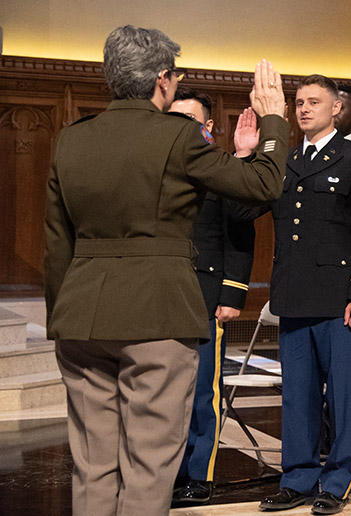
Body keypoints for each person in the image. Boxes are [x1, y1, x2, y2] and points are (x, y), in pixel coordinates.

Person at [44, 25, 287, 516]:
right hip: (157, 315)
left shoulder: (71, 139)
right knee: (150, 464)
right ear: (162, 78)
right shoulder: (179, 136)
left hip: (81, 317)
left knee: (92, 466)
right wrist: (274, 120)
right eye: (174, 75)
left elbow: (56, 242)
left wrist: (62, 315)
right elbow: (262, 184)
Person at [257, 74, 351, 515]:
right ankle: (297, 478)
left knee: (341, 397)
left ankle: (337, 480)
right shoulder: (286, 159)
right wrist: (249, 155)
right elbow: (245, 208)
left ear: (336, 109)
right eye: (298, 103)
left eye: (314, 102)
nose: (304, 109)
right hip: (294, 294)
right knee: (297, 395)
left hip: (337, 298)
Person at [168, 87, 259, 507]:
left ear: (207, 126)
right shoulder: (159, 165)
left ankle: (198, 474)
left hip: (206, 295)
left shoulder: (220, 167)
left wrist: (233, 293)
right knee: (165, 392)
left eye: (188, 119)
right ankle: (167, 472)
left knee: (203, 392)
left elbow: (239, 234)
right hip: (164, 294)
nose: (179, 126)